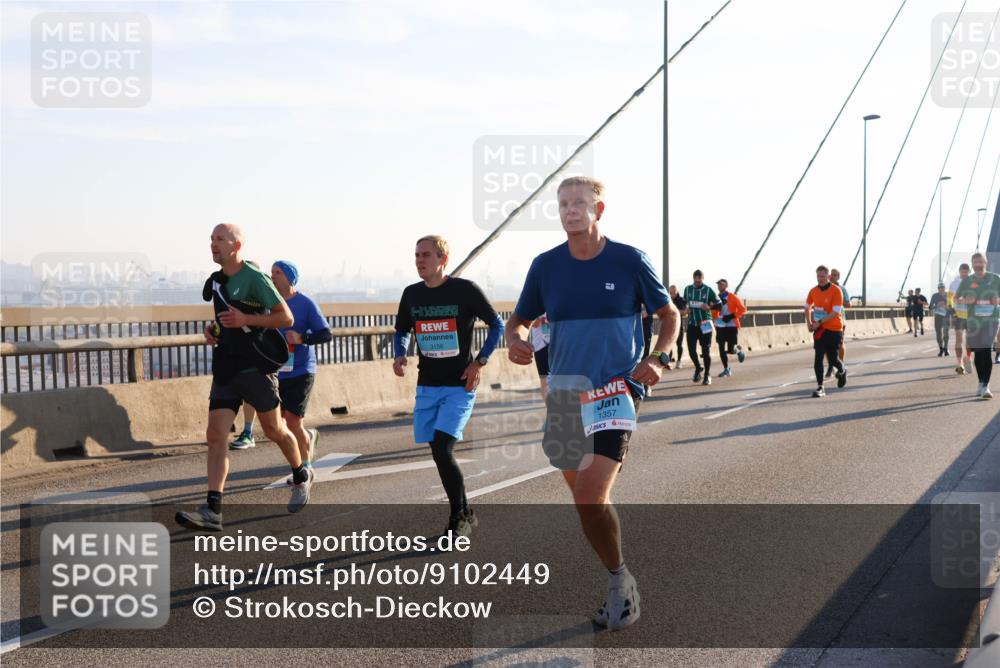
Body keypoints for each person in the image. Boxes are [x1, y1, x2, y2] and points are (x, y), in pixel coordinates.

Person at [505, 176, 680, 631]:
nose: (570, 210)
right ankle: (617, 573)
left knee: (589, 495)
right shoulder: (545, 266)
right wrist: (516, 341)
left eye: (579, 203)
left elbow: (669, 315)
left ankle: (619, 584)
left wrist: (658, 358)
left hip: (614, 390)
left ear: (598, 210)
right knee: (587, 504)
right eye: (563, 204)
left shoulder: (628, 260)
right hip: (564, 394)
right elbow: (518, 322)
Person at [176, 224, 311, 532]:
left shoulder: (254, 277)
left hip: (255, 368)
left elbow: (285, 317)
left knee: (274, 429)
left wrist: (246, 319)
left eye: (219, 239)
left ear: (236, 246)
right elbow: (228, 322)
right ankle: (213, 509)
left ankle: (301, 474)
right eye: (211, 238)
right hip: (226, 366)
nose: (213, 244)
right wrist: (216, 331)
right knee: (215, 435)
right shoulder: (218, 281)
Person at [393, 235, 503, 536]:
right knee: (438, 452)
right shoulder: (411, 294)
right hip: (427, 385)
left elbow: (497, 324)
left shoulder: (464, 290)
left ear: (443, 259)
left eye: (426, 255)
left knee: (443, 448)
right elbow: (402, 329)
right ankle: (466, 510)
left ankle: (457, 520)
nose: (419, 260)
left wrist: (479, 362)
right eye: (416, 255)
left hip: (459, 386)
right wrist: (400, 354)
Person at [955, 252, 1000, 399]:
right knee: (979, 353)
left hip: (992, 320)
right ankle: (981, 383)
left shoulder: (995, 279)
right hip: (973, 321)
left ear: (985, 263)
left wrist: (997, 300)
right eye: (975, 263)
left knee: (986, 350)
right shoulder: (967, 281)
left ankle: (986, 386)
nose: (978, 265)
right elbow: (956, 299)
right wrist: (965, 300)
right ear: (972, 265)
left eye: (980, 262)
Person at [806, 265, 847, 398]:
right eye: (818, 276)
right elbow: (807, 307)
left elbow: (835, 312)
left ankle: (842, 370)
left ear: (828, 276)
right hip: (820, 330)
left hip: (834, 329)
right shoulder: (813, 291)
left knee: (833, 359)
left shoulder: (836, 291)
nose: (820, 279)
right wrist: (809, 323)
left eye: (823, 276)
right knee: (818, 357)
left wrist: (819, 322)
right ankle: (820, 387)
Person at [683, 270, 720, 386]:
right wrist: (686, 309)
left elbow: (719, 304)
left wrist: (709, 307)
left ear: (703, 279)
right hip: (692, 324)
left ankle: (707, 375)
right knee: (691, 350)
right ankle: (698, 367)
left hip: (705, 323)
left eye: (700, 278)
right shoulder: (687, 289)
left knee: (705, 351)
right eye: (696, 278)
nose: (698, 280)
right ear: (693, 278)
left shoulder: (708, 290)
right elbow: (684, 303)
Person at [712, 278, 747, 378]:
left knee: (731, 349)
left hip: (732, 326)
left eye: (721, 284)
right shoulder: (716, 298)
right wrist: (715, 317)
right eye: (718, 284)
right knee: (721, 348)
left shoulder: (732, 297)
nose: (719, 286)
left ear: (726, 286)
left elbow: (743, 309)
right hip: (720, 326)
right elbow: (713, 312)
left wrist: (731, 316)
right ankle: (726, 369)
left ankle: (739, 351)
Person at [949, 263, 974, 374]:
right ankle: (960, 364)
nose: (964, 274)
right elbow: (950, 298)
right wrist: (951, 309)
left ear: (969, 272)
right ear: (959, 272)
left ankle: (968, 358)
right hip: (958, 315)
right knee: (959, 340)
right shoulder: (954, 283)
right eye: (962, 272)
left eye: (966, 272)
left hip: (971, 316)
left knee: (969, 341)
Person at [828, 268, 850, 377]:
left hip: (840, 319)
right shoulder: (825, 288)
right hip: (827, 319)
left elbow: (848, 304)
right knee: (827, 345)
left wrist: (838, 299)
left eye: (835, 275)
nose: (832, 277)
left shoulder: (842, 289)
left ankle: (840, 364)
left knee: (840, 343)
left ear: (838, 277)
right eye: (831, 275)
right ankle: (830, 366)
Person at [531, 313, 551, 396]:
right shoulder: (534, 307)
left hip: (555, 347)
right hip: (540, 347)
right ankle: (550, 407)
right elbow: (533, 324)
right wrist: (543, 320)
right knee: (544, 381)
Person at [929, 282, 951, 357]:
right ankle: (941, 348)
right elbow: (930, 307)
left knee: (946, 333)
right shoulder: (935, 296)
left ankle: (946, 348)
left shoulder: (948, 295)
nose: (941, 289)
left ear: (945, 288)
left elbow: (953, 306)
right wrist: (936, 306)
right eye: (940, 288)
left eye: (942, 288)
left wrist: (947, 306)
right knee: (938, 334)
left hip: (946, 316)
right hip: (938, 316)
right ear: (938, 289)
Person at [667, 285, 686, 368]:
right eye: (670, 292)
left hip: (679, 325)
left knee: (679, 344)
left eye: (674, 292)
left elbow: (684, 311)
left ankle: (679, 361)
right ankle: (669, 360)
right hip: (669, 325)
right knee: (669, 344)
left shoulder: (681, 300)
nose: (672, 294)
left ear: (677, 292)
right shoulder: (667, 299)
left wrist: (674, 312)